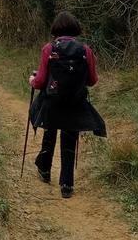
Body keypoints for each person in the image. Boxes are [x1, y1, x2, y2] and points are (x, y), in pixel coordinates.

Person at [29, 11, 106, 199]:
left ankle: (45, 169)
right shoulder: (85, 50)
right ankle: (67, 184)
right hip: (75, 102)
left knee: (49, 133)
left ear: (55, 29)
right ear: (75, 29)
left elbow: (40, 81)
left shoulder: (49, 49)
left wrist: (32, 80)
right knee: (70, 140)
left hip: (52, 101)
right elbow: (92, 80)